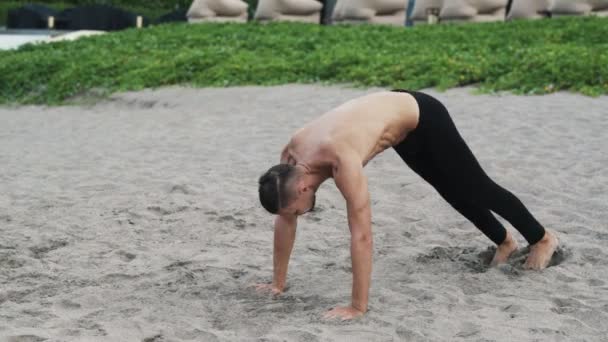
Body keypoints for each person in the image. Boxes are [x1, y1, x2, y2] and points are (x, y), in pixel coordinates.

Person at [256, 89, 559, 320]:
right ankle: (505, 242)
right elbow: (285, 219)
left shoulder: (342, 160)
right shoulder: (291, 157)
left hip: (423, 115)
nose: (300, 215)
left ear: (303, 187)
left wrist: (357, 307)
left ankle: (542, 238)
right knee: (449, 190)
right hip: (402, 132)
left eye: (299, 210)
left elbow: (362, 235)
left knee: (476, 186)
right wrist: (277, 284)